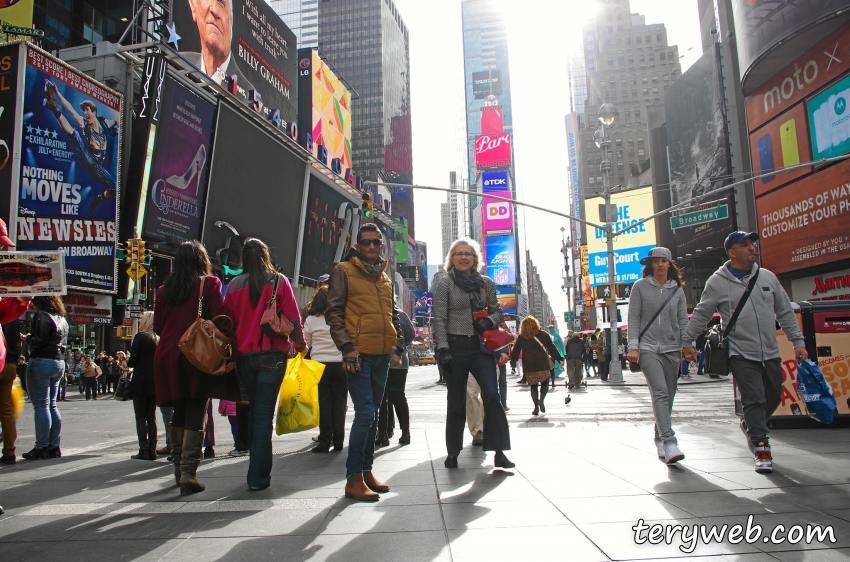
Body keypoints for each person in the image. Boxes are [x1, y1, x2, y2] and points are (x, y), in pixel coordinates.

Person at [683, 231, 806, 474]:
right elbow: (702, 313)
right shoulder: (716, 282)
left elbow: (785, 312)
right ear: (732, 252)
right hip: (740, 353)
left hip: (770, 352)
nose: (751, 248)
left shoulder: (768, 278)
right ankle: (762, 447)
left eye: (751, 244)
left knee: (774, 394)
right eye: (745, 245)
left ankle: (750, 424)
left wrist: (798, 342)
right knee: (754, 398)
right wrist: (687, 341)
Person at [326, 223, 405, 501]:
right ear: (357, 246)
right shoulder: (343, 271)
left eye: (376, 242)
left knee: (373, 415)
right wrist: (347, 348)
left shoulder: (384, 277)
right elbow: (333, 313)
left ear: (382, 247)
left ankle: (367, 470)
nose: (371, 246)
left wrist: (397, 348)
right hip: (358, 356)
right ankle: (353, 477)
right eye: (366, 242)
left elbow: (392, 314)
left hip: (383, 355)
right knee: (365, 414)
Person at [154, 240, 237, 495]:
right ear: (202, 261)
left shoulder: (163, 290)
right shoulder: (208, 284)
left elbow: (157, 326)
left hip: (167, 354)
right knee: (197, 408)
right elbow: (221, 318)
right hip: (195, 352)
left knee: (178, 408)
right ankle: (190, 472)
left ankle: (179, 470)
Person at [224, 238, 304, 490]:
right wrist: (301, 345)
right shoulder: (279, 281)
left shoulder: (234, 285)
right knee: (262, 416)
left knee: (255, 412)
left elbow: (227, 322)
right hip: (272, 356)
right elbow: (293, 317)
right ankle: (258, 476)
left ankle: (257, 474)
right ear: (265, 255)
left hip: (244, 359)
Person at [434, 237, 513, 470]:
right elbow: (440, 318)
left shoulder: (486, 283)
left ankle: (499, 451)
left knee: (492, 395)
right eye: (458, 253)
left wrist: (488, 320)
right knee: (456, 401)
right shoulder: (445, 284)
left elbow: (498, 312)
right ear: (452, 258)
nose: (463, 257)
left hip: (481, 347)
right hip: (455, 348)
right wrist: (443, 348)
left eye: (468, 253)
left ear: (474, 258)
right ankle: (453, 452)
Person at [625, 247, 689, 464]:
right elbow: (633, 318)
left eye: (664, 261)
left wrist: (687, 345)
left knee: (669, 395)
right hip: (647, 348)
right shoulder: (640, 287)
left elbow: (683, 321)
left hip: (672, 350)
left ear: (669, 264)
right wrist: (633, 346)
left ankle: (659, 437)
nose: (660, 264)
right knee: (660, 393)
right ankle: (670, 442)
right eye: (656, 261)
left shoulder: (677, 290)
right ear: (650, 265)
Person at [42, 84, 118, 211]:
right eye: (84, 111)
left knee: (114, 188)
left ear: (94, 112)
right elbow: (71, 110)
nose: (85, 113)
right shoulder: (85, 125)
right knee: (74, 134)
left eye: (87, 110)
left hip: (98, 166)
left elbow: (115, 121)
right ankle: (54, 107)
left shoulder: (104, 123)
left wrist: (118, 127)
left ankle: (98, 198)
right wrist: (58, 93)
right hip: (87, 156)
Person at [22, 296, 68, 460]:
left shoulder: (42, 315)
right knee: (52, 405)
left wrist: (27, 339)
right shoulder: (61, 318)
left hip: (41, 361)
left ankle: (41, 446)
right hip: (58, 362)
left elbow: (39, 341)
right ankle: (54, 446)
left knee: (41, 406)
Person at [303, 286, 346, 453]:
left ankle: (324, 441)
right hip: (340, 363)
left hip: (318, 366)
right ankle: (339, 441)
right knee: (339, 404)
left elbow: (307, 344)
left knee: (324, 404)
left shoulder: (311, 320)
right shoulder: (341, 318)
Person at [184, 0, 255, 90]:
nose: (215, 10)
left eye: (221, 2)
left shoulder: (248, 98)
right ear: (193, 5)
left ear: (232, 20)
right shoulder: (177, 64)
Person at [0, 266, 31, 465]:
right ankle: (9, 451)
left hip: (6, 362)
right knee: (6, 410)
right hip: (9, 364)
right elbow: (18, 344)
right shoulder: (11, 318)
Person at [510, 316, 563, 416]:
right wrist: (559, 358)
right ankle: (541, 400)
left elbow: (516, 350)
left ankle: (535, 408)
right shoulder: (543, 334)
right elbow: (551, 348)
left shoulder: (522, 336)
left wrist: (513, 363)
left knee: (533, 386)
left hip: (529, 364)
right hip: (542, 362)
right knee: (545, 383)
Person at [377, 307, 415, 446]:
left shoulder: (376, 311)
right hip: (399, 361)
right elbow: (410, 336)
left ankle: (383, 434)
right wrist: (400, 347)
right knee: (399, 397)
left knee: (381, 398)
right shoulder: (402, 315)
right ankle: (405, 433)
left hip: (380, 360)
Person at [128, 311, 159, 460]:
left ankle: (144, 449)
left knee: (140, 417)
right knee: (151, 417)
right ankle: (153, 449)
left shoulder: (140, 337)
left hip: (140, 381)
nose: (139, 321)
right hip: (155, 382)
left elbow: (132, 362)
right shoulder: (158, 338)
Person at [547, 324, 565, 389]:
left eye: (551, 328)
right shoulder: (547, 335)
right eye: (549, 328)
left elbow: (561, 343)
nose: (550, 329)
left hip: (556, 351)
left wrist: (562, 352)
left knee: (556, 365)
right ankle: (551, 382)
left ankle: (553, 382)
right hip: (549, 353)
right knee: (551, 367)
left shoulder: (556, 335)